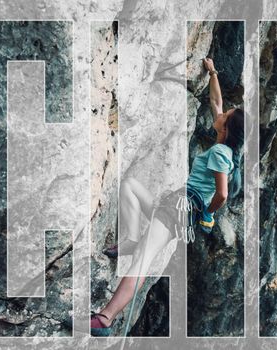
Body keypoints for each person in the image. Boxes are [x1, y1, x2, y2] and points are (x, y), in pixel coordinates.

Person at [90, 58, 245, 336]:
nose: (220, 113)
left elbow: (221, 194)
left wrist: (208, 213)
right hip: (174, 206)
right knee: (130, 187)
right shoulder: (223, 144)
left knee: (142, 262)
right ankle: (131, 240)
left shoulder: (222, 154)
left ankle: (106, 318)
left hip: (180, 209)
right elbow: (216, 103)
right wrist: (213, 71)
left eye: (226, 115)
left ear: (227, 128)